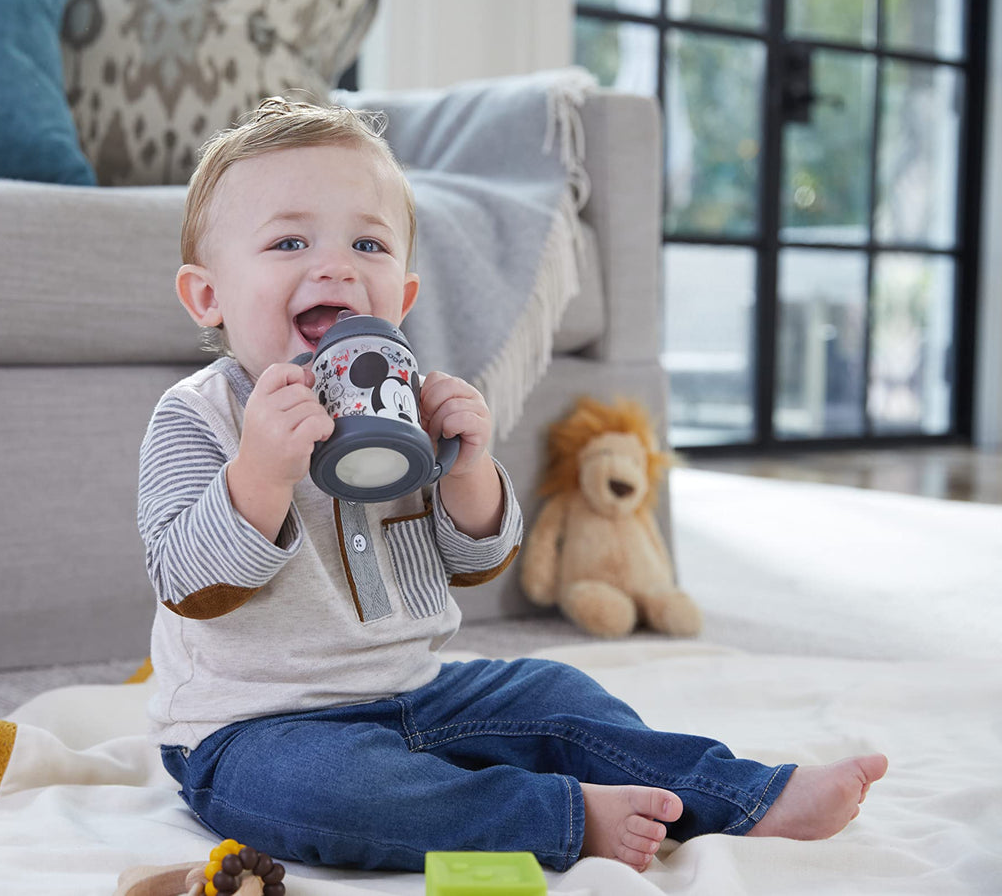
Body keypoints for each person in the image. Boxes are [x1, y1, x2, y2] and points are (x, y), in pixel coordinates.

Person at [136, 97, 887, 873]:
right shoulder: (198, 417)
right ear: (208, 296)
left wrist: (468, 467)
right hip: (253, 730)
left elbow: (474, 560)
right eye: (288, 241)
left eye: (367, 242)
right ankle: (557, 818)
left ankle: (743, 796)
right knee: (328, 790)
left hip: (420, 694)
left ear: (404, 296)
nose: (334, 266)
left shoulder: (409, 404)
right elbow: (189, 584)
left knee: (554, 691)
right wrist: (260, 472)